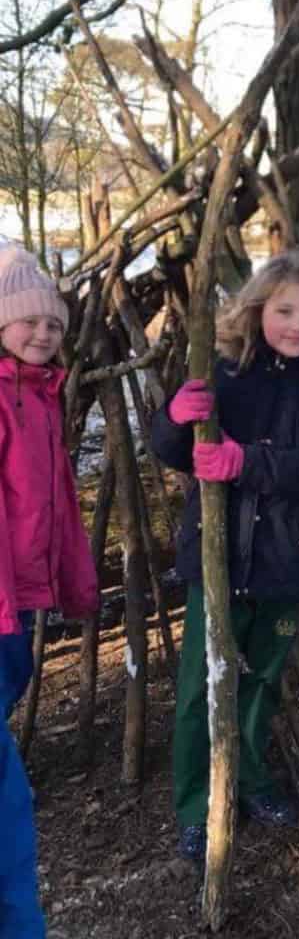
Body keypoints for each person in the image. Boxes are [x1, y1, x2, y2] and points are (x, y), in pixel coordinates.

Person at [151, 251, 299, 864]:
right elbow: (167, 447)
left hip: (287, 561)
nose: (297, 324)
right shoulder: (224, 369)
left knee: (263, 678)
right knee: (200, 688)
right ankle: (196, 804)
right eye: (284, 310)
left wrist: (248, 462)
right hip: (217, 560)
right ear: (257, 310)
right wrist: (175, 418)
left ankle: (250, 780)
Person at [0, 241, 99, 937]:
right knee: (8, 796)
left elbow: (54, 502)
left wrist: (73, 583)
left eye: (54, 324)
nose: (42, 333)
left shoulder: (39, 397)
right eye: (27, 321)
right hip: (0, 606)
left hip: (18, 605)